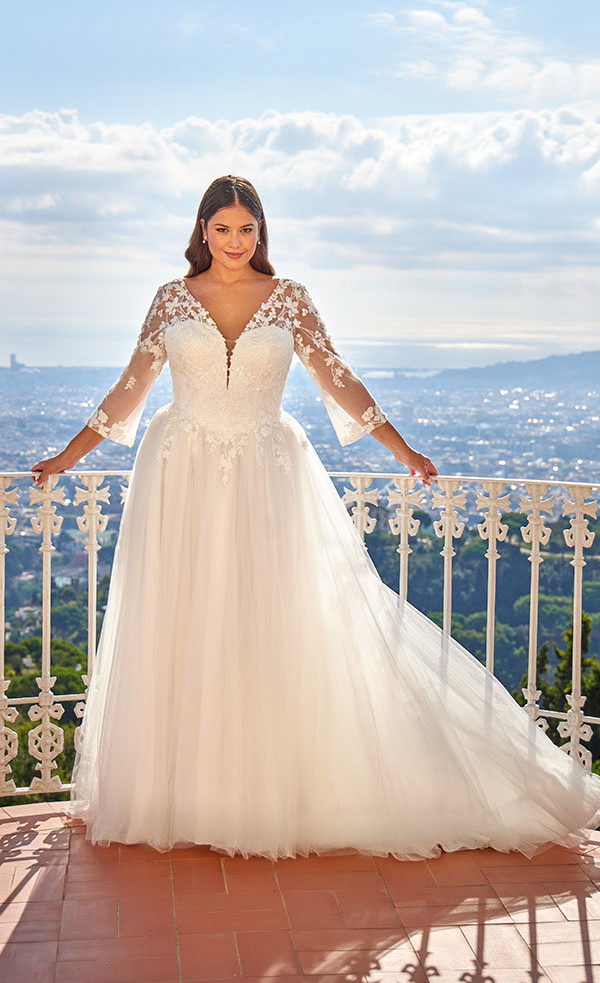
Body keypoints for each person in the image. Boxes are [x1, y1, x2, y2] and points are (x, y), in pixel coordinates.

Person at [32, 174, 600, 861]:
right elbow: (130, 386)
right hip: (179, 474)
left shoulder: (290, 298)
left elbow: (338, 376)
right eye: (222, 229)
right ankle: (183, 794)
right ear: (202, 232)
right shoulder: (170, 300)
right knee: (181, 620)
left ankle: (265, 793)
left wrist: (402, 447)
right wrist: (68, 455)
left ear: (261, 232)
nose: (235, 242)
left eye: (247, 229)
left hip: (269, 475)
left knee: (275, 621)